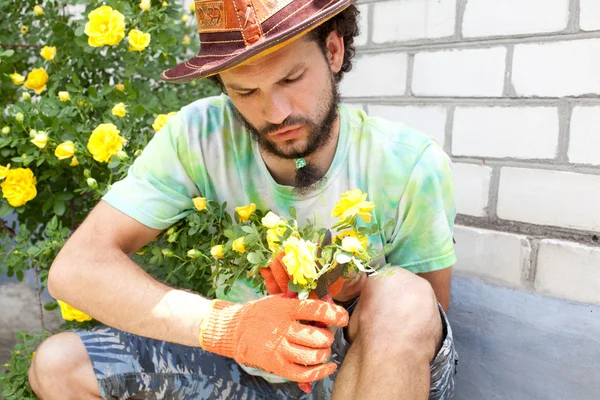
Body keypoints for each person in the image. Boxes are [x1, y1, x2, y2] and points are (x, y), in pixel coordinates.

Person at [28, 0, 459, 398]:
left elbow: (426, 317)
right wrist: (228, 327)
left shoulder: (408, 163)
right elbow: (75, 269)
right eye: (245, 92)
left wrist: (350, 294)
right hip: (246, 370)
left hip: (358, 372)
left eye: (291, 78)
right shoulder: (200, 136)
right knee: (59, 365)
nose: (274, 113)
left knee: (401, 295)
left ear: (332, 50)